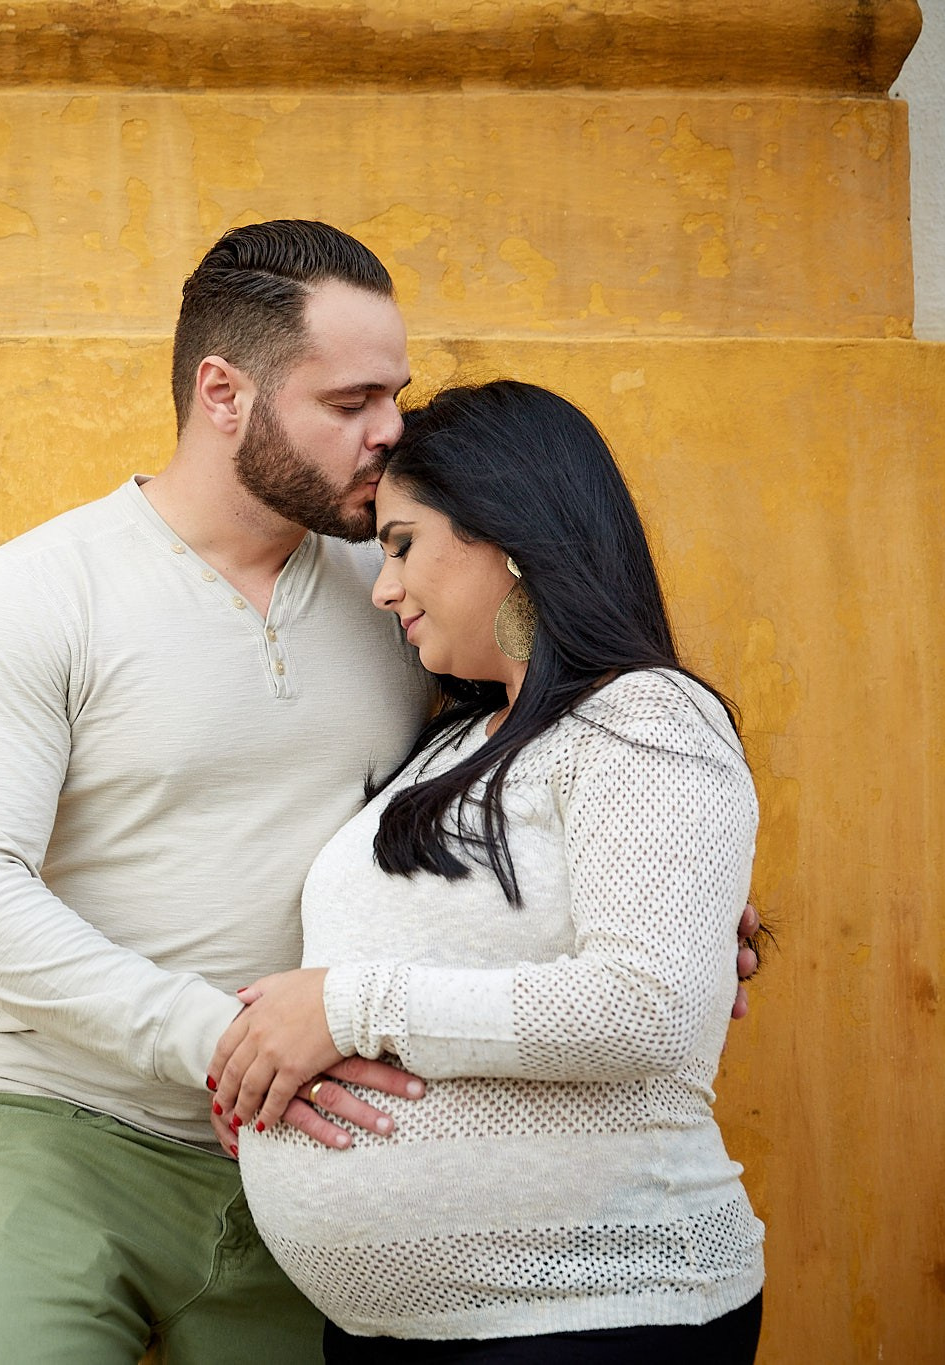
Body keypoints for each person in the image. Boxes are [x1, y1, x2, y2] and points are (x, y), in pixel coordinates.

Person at [0, 221, 760, 1362]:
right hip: (72, 1124)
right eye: (351, 400)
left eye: (394, 394)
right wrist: (227, 1040)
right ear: (223, 393)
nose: (390, 430)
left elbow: (537, 766)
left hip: (319, 1152)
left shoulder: (401, 578)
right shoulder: (39, 591)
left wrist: (671, 894)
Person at [216, 381, 764, 1361]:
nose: (382, 588)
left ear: (508, 535)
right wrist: (273, 1072)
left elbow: (650, 1008)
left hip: (593, 1311)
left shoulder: (643, 716)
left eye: (400, 545)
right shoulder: (446, 744)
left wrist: (345, 1010)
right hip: (387, 1329)